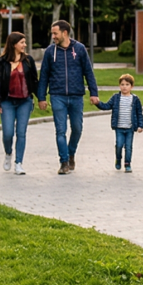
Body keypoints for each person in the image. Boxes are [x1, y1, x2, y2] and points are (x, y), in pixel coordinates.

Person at [37, 20, 99, 176]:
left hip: (76, 95)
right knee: (60, 131)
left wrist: (94, 93)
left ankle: (71, 153)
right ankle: (64, 162)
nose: (53, 37)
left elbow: (88, 72)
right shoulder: (50, 52)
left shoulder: (79, 49)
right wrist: (41, 97)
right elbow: (43, 75)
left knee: (77, 128)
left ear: (64, 33)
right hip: (57, 96)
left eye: (55, 33)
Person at [0, 32, 38, 175]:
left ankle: (19, 163)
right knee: (8, 133)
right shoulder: (2, 62)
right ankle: (8, 153)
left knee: (21, 133)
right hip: (7, 102)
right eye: (22, 42)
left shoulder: (28, 60)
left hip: (25, 101)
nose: (24, 45)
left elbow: (35, 81)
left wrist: (41, 98)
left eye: (25, 42)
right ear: (13, 44)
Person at [96, 74, 143, 172]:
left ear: (132, 86)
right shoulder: (116, 97)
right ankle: (118, 159)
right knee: (119, 145)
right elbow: (106, 106)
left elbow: (139, 113)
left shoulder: (135, 99)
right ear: (119, 86)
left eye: (127, 84)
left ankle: (127, 164)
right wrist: (98, 103)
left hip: (130, 128)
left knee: (128, 147)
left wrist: (140, 125)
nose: (124, 87)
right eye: (122, 84)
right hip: (119, 127)